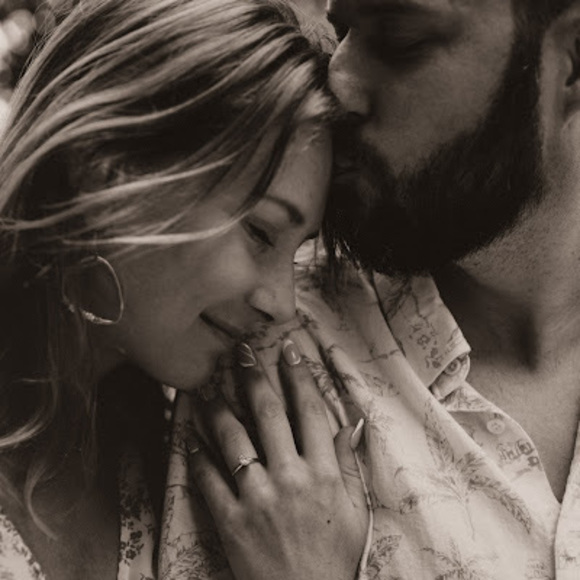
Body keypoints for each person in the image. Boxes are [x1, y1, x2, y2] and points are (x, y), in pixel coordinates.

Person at [188, 0, 580, 578]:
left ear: (572, 60)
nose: (337, 85)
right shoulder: (269, 344)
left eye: (400, 40)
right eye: (341, 31)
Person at [0, 0, 369, 578]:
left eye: (298, 250)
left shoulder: (166, 463)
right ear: (105, 165)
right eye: (260, 232)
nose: (281, 304)